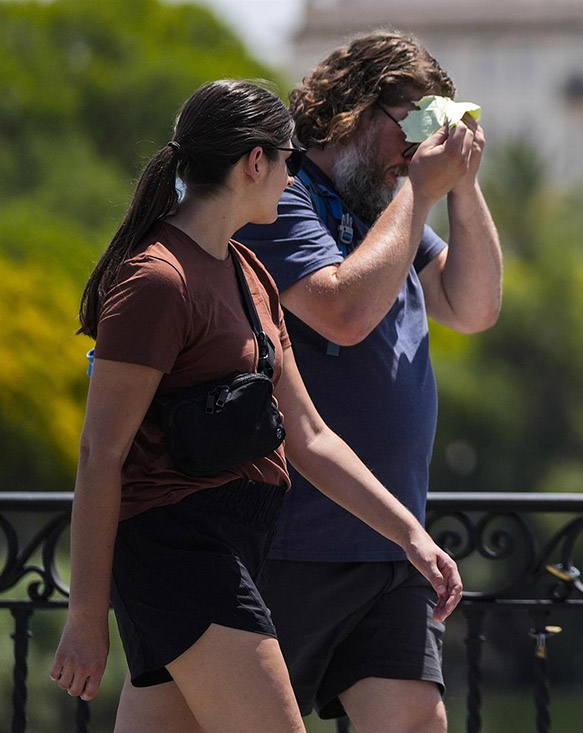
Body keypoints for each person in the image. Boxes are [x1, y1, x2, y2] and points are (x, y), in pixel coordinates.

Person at [49, 79, 463, 733]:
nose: (293, 177)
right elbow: (102, 453)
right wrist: (85, 616)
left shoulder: (250, 273)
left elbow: (310, 435)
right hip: (179, 552)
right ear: (254, 163)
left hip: (241, 545)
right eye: (289, 160)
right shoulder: (156, 279)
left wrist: (409, 534)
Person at [232, 30, 502, 731]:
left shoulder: (390, 212)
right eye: (412, 121)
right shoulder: (279, 198)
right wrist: (419, 189)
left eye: (436, 125)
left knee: (418, 722)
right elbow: (341, 311)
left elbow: (472, 306)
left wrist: (461, 190)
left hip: (390, 539)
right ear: (354, 108)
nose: (418, 147)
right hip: (292, 539)